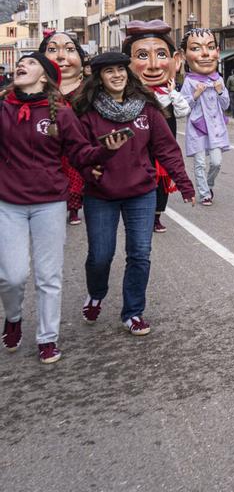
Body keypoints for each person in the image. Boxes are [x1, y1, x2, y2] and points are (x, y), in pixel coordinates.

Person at [0, 54, 126, 364]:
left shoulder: (61, 115)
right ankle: (13, 317)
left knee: (48, 275)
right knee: (12, 276)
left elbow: (81, 153)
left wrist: (105, 151)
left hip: (49, 203)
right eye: (21, 63)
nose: (22, 65)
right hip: (8, 203)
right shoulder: (2, 109)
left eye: (30, 63)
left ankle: (47, 338)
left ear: (45, 76)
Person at [72, 52, 195, 336]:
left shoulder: (147, 109)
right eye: (109, 71)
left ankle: (133, 312)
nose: (117, 75)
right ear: (99, 78)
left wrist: (184, 184)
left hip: (141, 191)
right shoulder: (87, 113)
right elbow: (77, 153)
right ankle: (96, 293)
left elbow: (166, 149)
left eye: (121, 70)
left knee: (140, 253)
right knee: (101, 256)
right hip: (101, 195)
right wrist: (91, 170)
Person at [122, 20, 190, 235]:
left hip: (164, 149)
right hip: (137, 150)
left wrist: (172, 93)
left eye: (161, 55)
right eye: (142, 55)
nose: (153, 64)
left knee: (161, 182)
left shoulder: (169, 94)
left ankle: (157, 216)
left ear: (175, 61)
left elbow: (182, 111)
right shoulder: (127, 95)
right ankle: (139, 215)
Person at [40, 30, 89, 226]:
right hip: (48, 145)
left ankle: (74, 208)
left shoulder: (90, 88)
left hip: (77, 145)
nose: (61, 56)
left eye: (69, 50)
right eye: (52, 50)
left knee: (75, 175)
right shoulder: (38, 88)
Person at [179, 29, 230, 207]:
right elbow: (183, 107)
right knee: (200, 163)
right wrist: (195, 94)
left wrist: (220, 90)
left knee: (216, 162)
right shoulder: (189, 82)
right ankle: (204, 194)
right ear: (185, 55)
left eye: (210, 47)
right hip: (197, 128)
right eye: (196, 48)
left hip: (215, 128)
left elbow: (226, 105)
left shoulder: (219, 79)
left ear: (217, 51)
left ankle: (208, 185)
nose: (206, 54)